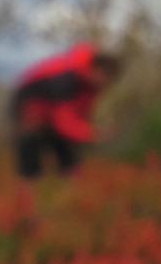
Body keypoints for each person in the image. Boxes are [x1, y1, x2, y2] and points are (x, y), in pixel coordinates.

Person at [10, 43, 121, 178]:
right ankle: (29, 187)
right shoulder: (67, 77)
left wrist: (87, 131)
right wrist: (94, 134)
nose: (106, 83)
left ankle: (68, 184)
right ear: (96, 69)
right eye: (105, 76)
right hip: (31, 105)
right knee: (31, 139)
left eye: (110, 79)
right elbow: (64, 122)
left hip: (52, 113)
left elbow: (78, 116)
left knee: (66, 147)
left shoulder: (90, 87)